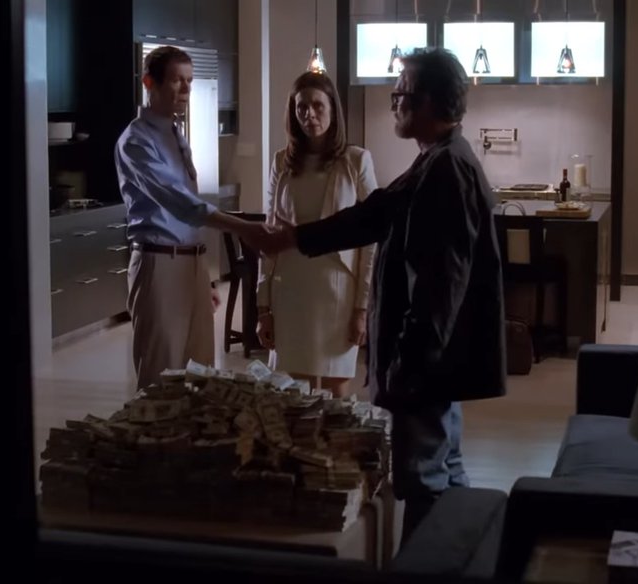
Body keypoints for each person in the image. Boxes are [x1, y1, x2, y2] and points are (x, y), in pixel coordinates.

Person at [257, 48, 506, 543]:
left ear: (427, 101)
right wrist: (292, 238)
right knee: (443, 469)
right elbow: (375, 214)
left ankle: (430, 562)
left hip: (425, 369)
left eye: (401, 93)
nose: (394, 102)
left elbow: (441, 289)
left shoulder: (448, 169)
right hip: (429, 367)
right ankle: (462, 556)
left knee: (425, 481)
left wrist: (404, 368)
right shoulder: (435, 160)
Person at [116, 45, 273, 392]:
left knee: (202, 374)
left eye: (189, 80)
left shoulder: (176, 134)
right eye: (177, 80)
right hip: (159, 264)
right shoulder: (136, 140)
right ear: (149, 83)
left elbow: (189, 219)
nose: (186, 89)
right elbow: (181, 204)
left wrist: (204, 276)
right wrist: (243, 227)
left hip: (191, 263)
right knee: (161, 379)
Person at [256, 72, 378, 398]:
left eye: (317, 106)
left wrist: (362, 308)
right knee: (292, 388)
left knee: (337, 387)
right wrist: (263, 306)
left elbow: (371, 239)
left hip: (337, 289)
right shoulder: (282, 162)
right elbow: (269, 235)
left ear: (333, 109)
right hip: (291, 287)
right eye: (301, 107)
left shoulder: (356, 160)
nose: (309, 114)